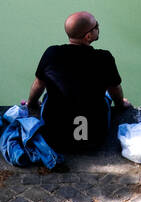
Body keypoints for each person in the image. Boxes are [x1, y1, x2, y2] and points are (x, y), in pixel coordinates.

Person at [27, 11, 129, 152]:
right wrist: (120, 104)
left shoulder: (52, 53)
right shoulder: (104, 58)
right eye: (96, 26)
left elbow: (39, 84)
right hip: (94, 139)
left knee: (48, 96)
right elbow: (115, 89)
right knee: (105, 95)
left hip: (55, 138)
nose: (98, 27)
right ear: (88, 36)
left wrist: (32, 104)